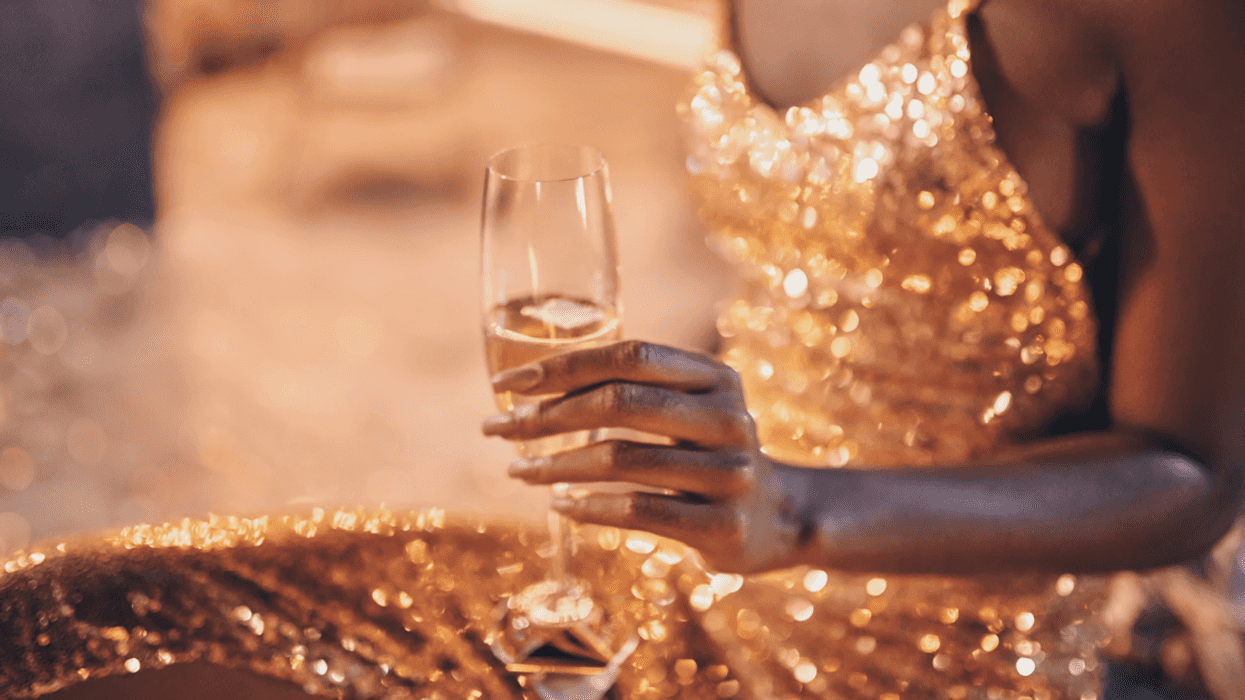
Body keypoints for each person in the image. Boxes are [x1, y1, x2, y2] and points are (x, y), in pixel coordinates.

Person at [485, 0, 1245, 697]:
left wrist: (792, 507)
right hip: (713, 581)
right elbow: (808, 284)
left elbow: (1193, 472)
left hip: (983, 649)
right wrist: (691, 441)